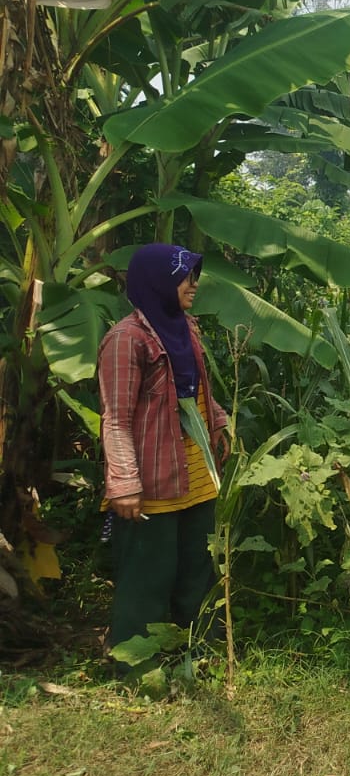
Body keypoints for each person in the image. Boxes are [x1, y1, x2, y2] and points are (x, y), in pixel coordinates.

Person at [99, 243, 230, 663]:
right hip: (151, 476)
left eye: (193, 274)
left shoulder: (184, 328)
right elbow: (116, 417)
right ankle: (137, 667)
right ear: (158, 281)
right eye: (184, 276)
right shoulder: (126, 340)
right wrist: (123, 484)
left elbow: (196, 388)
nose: (193, 284)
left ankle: (202, 654)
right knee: (148, 575)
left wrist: (220, 423)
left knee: (198, 568)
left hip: (196, 468)